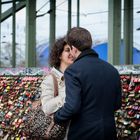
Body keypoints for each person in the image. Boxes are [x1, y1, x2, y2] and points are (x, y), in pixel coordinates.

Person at [54, 27, 122, 140]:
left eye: (70, 50)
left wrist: (57, 117)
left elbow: (72, 107)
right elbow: (117, 104)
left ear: (74, 49)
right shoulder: (112, 70)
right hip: (109, 133)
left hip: (84, 134)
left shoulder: (73, 71)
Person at [40, 37, 74, 139]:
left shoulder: (75, 76)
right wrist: (67, 95)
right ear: (59, 55)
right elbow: (46, 108)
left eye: (73, 50)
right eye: (67, 50)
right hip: (59, 133)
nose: (71, 54)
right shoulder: (50, 78)